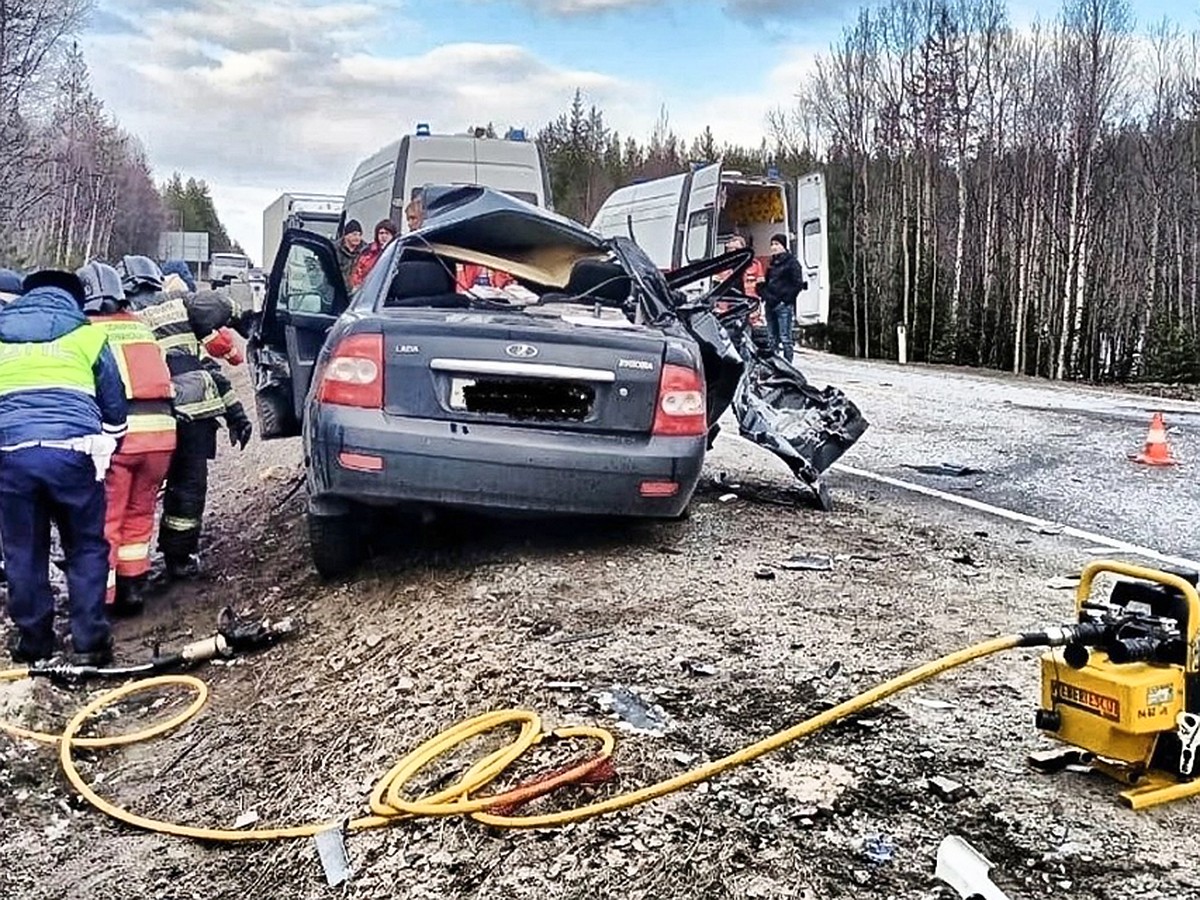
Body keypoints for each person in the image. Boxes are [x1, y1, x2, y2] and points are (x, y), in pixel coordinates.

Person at [0, 269, 128, 664]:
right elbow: (115, 409)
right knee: (86, 545)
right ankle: (89, 643)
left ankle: (35, 642)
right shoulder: (88, 335)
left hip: (10, 452)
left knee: (22, 549)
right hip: (75, 452)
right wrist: (107, 448)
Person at [119, 255, 252, 581]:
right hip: (194, 413)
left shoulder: (115, 318)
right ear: (156, 278)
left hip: (141, 417)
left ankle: (125, 569)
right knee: (188, 486)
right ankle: (179, 558)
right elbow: (215, 316)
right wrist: (241, 316)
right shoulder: (179, 302)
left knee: (133, 492)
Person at [77, 261, 176, 616]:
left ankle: (101, 598)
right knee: (140, 513)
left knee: (106, 518)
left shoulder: (85, 331)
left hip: (120, 437)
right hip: (162, 436)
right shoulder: (141, 327)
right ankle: (132, 588)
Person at [758, 233, 805, 363]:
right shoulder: (772, 264)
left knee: (785, 338)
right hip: (770, 303)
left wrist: (786, 300)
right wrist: (764, 294)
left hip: (783, 305)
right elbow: (766, 283)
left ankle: (788, 365)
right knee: (772, 338)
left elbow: (797, 284)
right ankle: (774, 364)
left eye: (777, 244)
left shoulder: (792, 263)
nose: (773, 247)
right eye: (772, 244)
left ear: (783, 246)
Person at [714, 234, 765, 320]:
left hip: (748, 302)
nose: (734, 252)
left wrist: (761, 300)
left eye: (737, 249)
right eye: (731, 249)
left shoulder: (755, 264)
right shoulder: (722, 265)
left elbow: (761, 284)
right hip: (726, 302)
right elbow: (715, 285)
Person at [350, 219, 397, 290]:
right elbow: (358, 272)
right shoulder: (368, 252)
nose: (384, 236)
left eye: (387, 233)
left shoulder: (398, 251)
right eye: (381, 233)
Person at [335, 219, 364, 285]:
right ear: (346, 235)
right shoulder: (335, 249)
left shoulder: (365, 251)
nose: (357, 237)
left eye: (359, 235)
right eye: (354, 234)